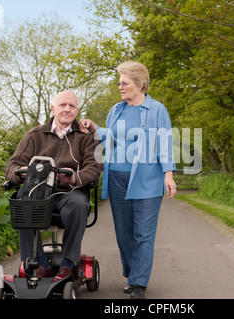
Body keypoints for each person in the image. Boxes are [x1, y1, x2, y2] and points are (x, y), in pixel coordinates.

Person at [80, 61, 177, 299]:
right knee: (124, 234)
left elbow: (164, 143)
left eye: (124, 83)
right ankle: (133, 274)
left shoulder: (157, 110)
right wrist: (94, 127)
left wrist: (169, 175)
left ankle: (139, 284)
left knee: (143, 233)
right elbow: (112, 137)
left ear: (140, 84)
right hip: (118, 179)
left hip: (147, 180)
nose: (120, 86)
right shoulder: (117, 109)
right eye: (119, 82)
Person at [5, 91, 102, 279]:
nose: (67, 109)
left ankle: (67, 264)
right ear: (53, 108)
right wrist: (22, 172)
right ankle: (38, 264)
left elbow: (95, 166)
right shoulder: (34, 135)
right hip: (38, 194)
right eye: (62, 105)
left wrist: (75, 177)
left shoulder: (88, 136)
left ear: (77, 110)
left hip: (69, 194)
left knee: (79, 204)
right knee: (21, 202)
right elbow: (11, 166)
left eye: (72, 106)